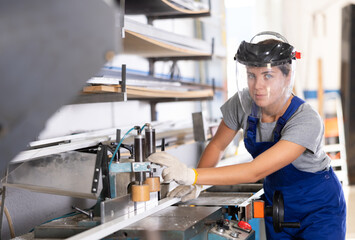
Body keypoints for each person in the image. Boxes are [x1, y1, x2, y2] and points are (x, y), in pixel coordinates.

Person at [147, 31, 346, 239]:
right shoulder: (241, 104)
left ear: (287, 76)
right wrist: (197, 184)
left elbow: (255, 171)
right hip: (278, 208)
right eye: (252, 75)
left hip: (320, 211)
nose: (258, 85)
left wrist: (193, 174)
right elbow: (217, 146)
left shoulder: (306, 119)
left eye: (267, 76)